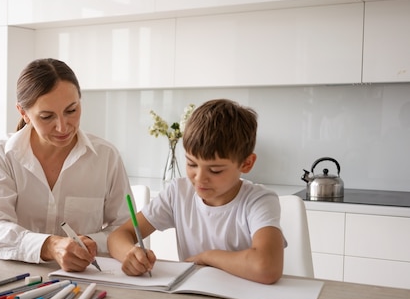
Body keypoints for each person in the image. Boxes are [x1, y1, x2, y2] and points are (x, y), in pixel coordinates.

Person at [107, 99, 285, 284]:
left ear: (246, 163)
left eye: (215, 170)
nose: (199, 178)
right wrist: (130, 254)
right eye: (191, 164)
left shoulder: (260, 200)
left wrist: (207, 257)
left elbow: (267, 267)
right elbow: (118, 236)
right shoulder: (178, 192)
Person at [0, 58, 132, 272]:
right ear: (24, 113)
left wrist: (89, 242)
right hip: (18, 278)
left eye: (71, 111)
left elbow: (125, 228)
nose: (63, 127)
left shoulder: (106, 157)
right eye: (47, 116)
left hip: (88, 280)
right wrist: (50, 246)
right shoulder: (1, 156)